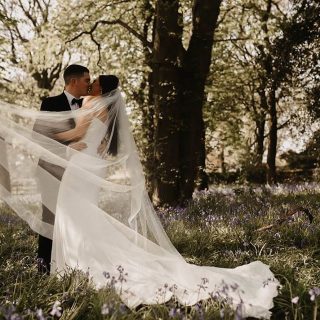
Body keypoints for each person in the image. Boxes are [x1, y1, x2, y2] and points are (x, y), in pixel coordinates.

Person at [46, 74, 279, 319]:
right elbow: (99, 142)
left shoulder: (90, 103)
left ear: (101, 88)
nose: (89, 84)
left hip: (81, 166)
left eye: (93, 82)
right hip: (91, 163)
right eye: (87, 80)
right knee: (82, 214)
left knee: (73, 212)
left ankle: (76, 265)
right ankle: (78, 263)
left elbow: (78, 133)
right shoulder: (106, 108)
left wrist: (47, 136)